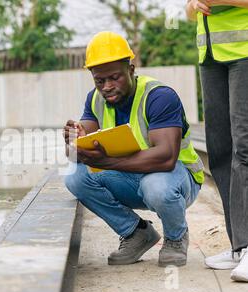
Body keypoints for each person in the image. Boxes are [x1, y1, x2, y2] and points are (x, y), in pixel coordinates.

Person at [64, 31, 205, 267]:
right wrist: (71, 142)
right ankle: (136, 233)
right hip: (133, 176)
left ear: (131, 70)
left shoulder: (159, 96)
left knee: (156, 185)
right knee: (74, 177)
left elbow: (166, 159)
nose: (107, 87)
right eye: (100, 80)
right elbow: (78, 156)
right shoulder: (95, 99)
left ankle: (175, 237)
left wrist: (106, 162)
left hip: (178, 179)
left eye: (115, 77)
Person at [186, 0, 248, 281]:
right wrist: (194, 4)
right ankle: (238, 245)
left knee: (244, 148)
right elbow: (189, 12)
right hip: (210, 57)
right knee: (220, 149)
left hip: (244, 54)